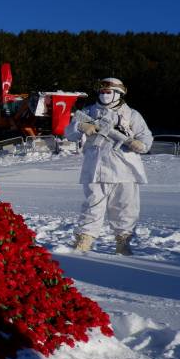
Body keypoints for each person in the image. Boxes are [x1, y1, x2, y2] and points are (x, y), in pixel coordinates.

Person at [65, 77, 153, 255]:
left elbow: (146, 139)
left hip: (125, 169)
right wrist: (80, 126)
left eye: (108, 92)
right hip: (95, 168)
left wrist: (139, 144)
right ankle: (84, 241)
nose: (104, 95)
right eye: (102, 92)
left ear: (118, 93)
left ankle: (123, 243)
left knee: (125, 208)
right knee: (92, 206)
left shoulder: (132, 115)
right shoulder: (88, 111)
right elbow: (69, 133)